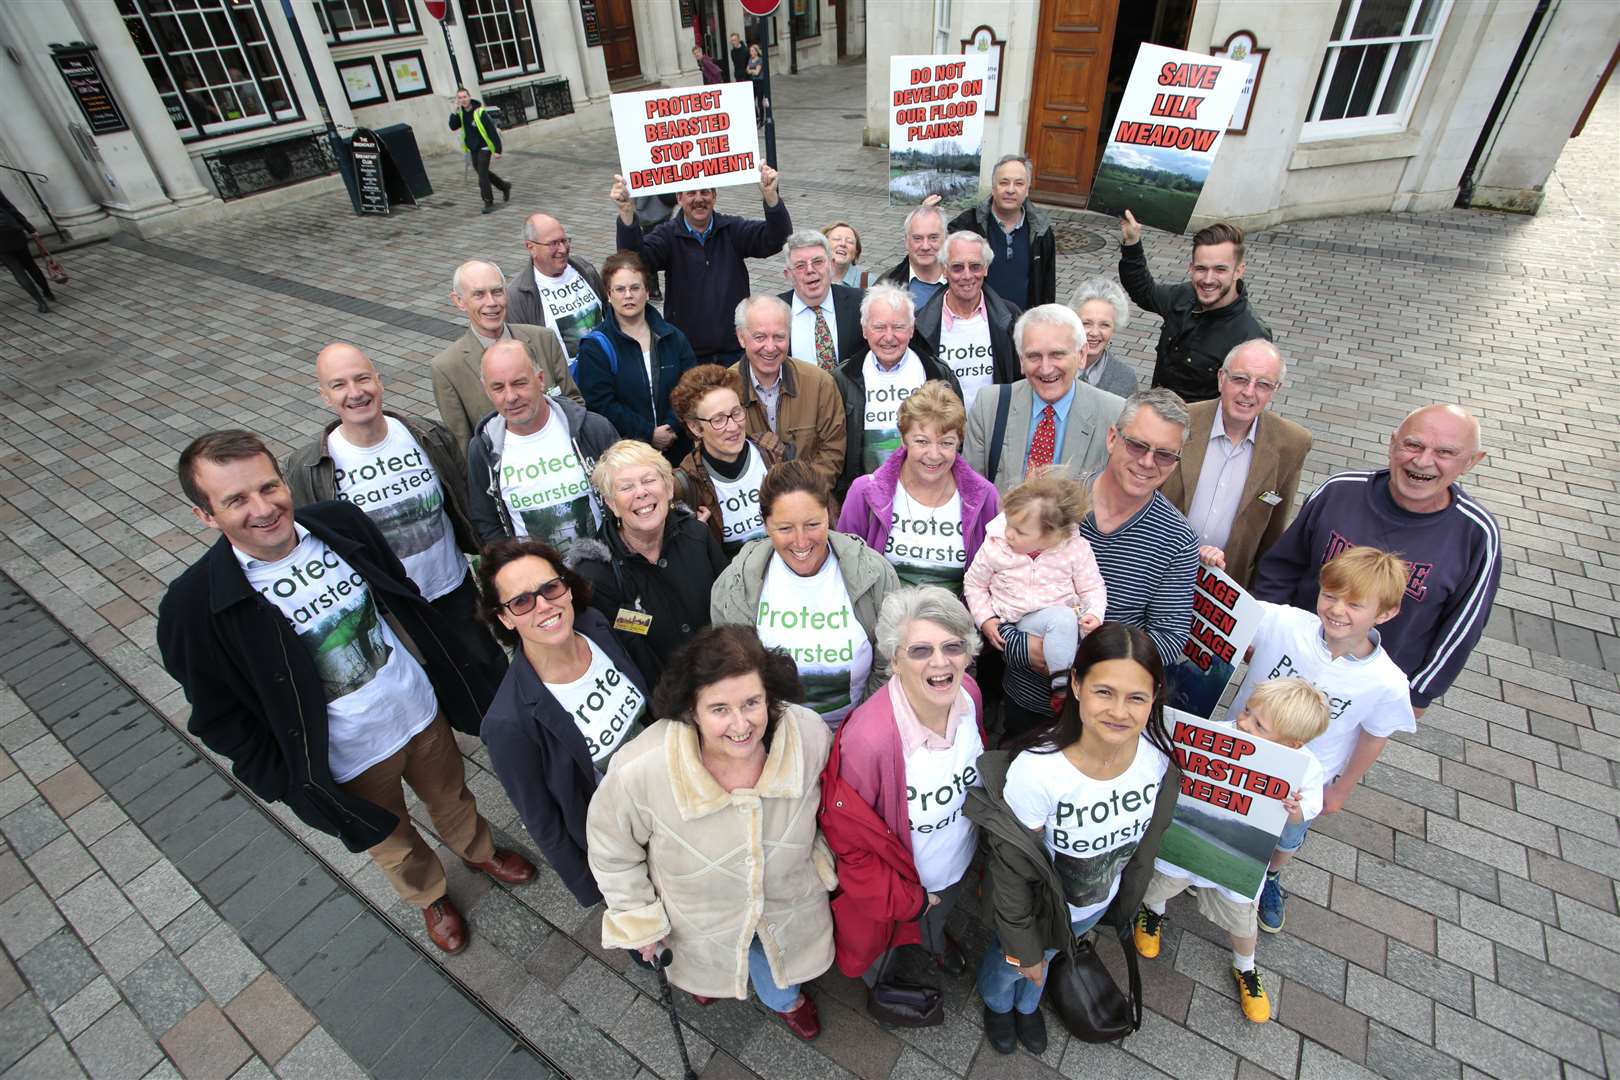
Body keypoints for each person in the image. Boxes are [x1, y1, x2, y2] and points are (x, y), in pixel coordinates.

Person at [157, 431, 533, 956]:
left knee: (452, 796)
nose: (263, 509)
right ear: (205, 516)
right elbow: (220, 718)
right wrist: (292, 784)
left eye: (268, 486)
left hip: (419, 713)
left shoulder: (340, 524)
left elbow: (395, 588)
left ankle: (477, 850)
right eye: (236, 500)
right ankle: (431, 896)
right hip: (346, 761)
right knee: (392, 842)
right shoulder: (193, 607)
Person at [587, 625, 837, 1040]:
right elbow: (612, 849)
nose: (741, 725)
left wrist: (822, 856)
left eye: (752, 703)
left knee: (775, 966)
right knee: (704, 964)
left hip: (785, 901)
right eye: (720, 709)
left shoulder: (809, 734)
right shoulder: (640, 769)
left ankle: (785, 999)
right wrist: (637, 918)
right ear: (692, 710)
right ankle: (709, 983)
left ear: (770, 697)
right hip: (697, 917)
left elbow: (833, 804)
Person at [966, 623, 1181, 1056]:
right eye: (1105, 692)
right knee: (1013, 964)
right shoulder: (1039, 771)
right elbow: (1012, 873)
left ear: (1154, 697)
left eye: (1136, 697)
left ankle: (1028, 1006)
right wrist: (1024, 949)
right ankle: (997, 1003)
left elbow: (1143, 848)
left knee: (1046, 962)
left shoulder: (1156, 761)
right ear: (1078, 685)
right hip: (1038, 910)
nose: (1119, 711)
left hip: (1089, 908)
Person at [1252, 404, 1500, 714]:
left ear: (1471, 461)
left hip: (1366, 690)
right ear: (1393, 443)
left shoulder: (1476, 534)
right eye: (1413, 445)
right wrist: (1262, 634)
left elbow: (1463, 624)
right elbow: (1283, 566)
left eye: (1445, 453)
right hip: (1290, 664)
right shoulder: (1338, 492)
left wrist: (1419, 693)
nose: (1423, 461)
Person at [285, 343, 503, 669]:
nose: (355, 392)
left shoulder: (428, 436)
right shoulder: (308, 467)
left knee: (489, 673)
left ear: (379, 381)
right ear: (324, 395)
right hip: (389, 609)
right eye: (339, 385)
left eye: (362, 379)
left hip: (453, 591)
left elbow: (466, 503)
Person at [1235, 546, 1417, 934]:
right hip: (1240, 750)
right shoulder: (1285, 622)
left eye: (1355, 604)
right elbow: (1231, 606)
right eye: (1330, 595)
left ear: (1385, 613)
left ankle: (1270, 877)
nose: (1337, 609)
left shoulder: (1386, 681)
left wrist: (1342, 789)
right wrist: (1211, 564)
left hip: (1302, 780)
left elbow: (1374, 735)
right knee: (1230, 811)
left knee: (1287, 833)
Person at [1134, 677, 1329, 1023]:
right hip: (1188, 837)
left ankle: (1246, 968)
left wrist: (1295, 807)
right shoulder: (1223, 733)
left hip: (1242, 856)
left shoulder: (1307, 767)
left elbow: (1310, 808)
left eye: (1258, 724)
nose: (1244, 722)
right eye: (1248, 711)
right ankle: (1153, 913)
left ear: (1293, 744)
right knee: (1161, 880)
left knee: (1241, 917)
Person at [820, 586, 986, 985]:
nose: (941, 662)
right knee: (885, 947)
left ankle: (932, 941)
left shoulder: (971, 696)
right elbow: (850, 844)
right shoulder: (868, 740)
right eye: (920, 651)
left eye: (953, 646)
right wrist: (909, 902)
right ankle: (889, 977)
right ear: (894, 659)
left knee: (935, 919)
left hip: (953, 867)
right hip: (900, 891)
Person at [477, 538, 651, 907]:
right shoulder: (509, 722)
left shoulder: (596, 626)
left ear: (567, 588)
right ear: (504, 618)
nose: (543, 605)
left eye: (550, 588)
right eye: (522, 601)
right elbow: (545, 825)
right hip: (631, 845)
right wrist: (608, 900)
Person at [711, 461, 898, 729]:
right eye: (785, 528)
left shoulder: (874, 573)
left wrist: (857, 731)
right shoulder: (735, 585)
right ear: (765, 525)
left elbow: (890, 664)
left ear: (829, 515)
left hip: (856, 735)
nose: (801, 541)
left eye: (812, 524)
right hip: (774, 739)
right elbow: (733, 680)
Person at [571, 440, 726, 687]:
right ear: (612, 504)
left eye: (648, 480)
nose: (640, 492)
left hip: (725, 675)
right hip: (665, 702)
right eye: (626, 487)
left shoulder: (697, 536)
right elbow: (623, 654)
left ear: (668, 489)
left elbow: (730, 610)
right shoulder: (596, 573)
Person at [1160, 340, 1312, 590]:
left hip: (1225, 588)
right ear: (1221, 378)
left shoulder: (1292, 443)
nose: (1249, 392)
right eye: (1240, 379)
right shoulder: (1180, 421)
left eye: (1263, 384)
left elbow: (1273, 530)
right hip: (1161, 570)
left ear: (1275, 390)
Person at [966, 476, 1108, 738]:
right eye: (1009, 523)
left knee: (1064, 619)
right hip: (1015, 621)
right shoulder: (996, 546)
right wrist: (985, 619)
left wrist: (1093, 614)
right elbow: (974, 584)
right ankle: (1063, 689)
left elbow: (1092, 588)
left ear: (1052, 536)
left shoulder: (1074, 550)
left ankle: (1062, 688)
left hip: (1058, 624)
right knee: (1062, 620)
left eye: (1020, 532)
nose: (1009, 533)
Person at [611, 165, 791, 364]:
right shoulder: (668, 235)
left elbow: (777, 239)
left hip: (736, 351)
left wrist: (771, 197)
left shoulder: (731, 229)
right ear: (679, 198)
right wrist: (627, 213)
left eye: (705, 192)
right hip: (688, 354)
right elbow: (633, 262)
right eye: (691, 193)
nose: (699, 199)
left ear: (714, 196)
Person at [837, 380, 998, 593]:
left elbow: (998, 573)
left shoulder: (984, 497)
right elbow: (843, 568)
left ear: (959, 443)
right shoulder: (865, 492)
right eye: (922, 441)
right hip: (883, 619)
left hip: (956, 621)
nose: (933, 454)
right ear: (903, 440)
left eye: (946, 443)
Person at [1080, 389, 1201, 667]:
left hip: (1107, 701)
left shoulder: (1178, 540)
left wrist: (1093, 663)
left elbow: (1169, 637)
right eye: (1137, 445)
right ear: (1112, 438)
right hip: (1026, 695)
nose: (1147, 462)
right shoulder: (1058, 498)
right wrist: (1025, 646)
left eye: (1165, 455)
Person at [466, 339, 618, 547]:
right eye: (498, 388)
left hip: (605, 571)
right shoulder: (484, 449)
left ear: (540, 380)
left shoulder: (593, 430)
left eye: (520, 383)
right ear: (487, 391)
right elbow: (487, 521)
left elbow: (625, 492)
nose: (510, 397)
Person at [963, 304, 1125, 494]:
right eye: (1034, 356)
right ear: (1021, 361)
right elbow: (972, 491)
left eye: (1057, 355)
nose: (1046, 368)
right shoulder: (989, 404)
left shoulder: (1114, 413)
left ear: (1081, 355)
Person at [1119, 212, 1272, 403]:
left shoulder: (1251, 335)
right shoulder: (1183, 296)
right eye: (1201, 268)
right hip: (1158, 416)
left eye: (1220, 269)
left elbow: (1248, 400)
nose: (1208, 279)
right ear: (1191, 268)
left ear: (1238, 271)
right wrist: (1132, 243)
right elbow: (1144, 291)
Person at [431, 259, 581, 449]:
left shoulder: (543, 339)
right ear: (459, 301)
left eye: (497, 291)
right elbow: (463, 446)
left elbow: (574, 403)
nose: (491, 302)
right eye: (479, 295)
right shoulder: (447, 369)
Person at [834, 284, 962, 493]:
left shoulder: (937, 374)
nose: (889, 336)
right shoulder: (843, 378)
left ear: (912, 329)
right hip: (864, 495)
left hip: (929, 494)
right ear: (865, 330)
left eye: (899, 327)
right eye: (879, 327)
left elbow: (957, 437)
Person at [573, 251, 698, 461]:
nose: (628, 295)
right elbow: (601, 404)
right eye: (620, 289)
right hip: (627, 455)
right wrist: (649, 433)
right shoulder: (595, 347)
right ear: (609, 295)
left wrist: (671, 428)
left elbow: (692, 387)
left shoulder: (672, 337)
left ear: (647, 292)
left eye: (635, 288)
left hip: (679, 451)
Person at [730, 295, 846, 491]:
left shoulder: (820, 383)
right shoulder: (724, 390)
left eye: (779, 336)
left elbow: (832, 451)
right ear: (741, 337)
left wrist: (801, 497)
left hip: (809, 501)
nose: (770, 347)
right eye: (760, 337)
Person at [670, 364, 783, 554]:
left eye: (736, 413)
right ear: (695, 428)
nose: (733, 427)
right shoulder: (685, 485)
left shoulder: (775, 454)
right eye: (718, 419)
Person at [914, 231, 1022, 412]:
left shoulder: (1011, 317)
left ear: (986, 268)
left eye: (975, 266)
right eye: (957, 267)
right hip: (943, 431)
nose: (967, 275)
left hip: (995, 428)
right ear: (944, 270)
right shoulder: (921, 324)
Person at [948, 155, 1056, 309]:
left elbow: (1047, 288)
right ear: (993, 188)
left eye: (1019, 183)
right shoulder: (966, 226)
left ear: (1027, 190)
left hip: (1024, 326)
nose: (1010, 190)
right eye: (1004, 183)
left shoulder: (1041, 231)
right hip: (977, 323)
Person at [505, 213, 608, 359]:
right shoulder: (518, 296)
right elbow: (523, 353)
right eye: (553, 243)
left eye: (564, 241)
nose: (563, 249)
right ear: (531, 247)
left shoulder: (584, 269)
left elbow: (606, 309)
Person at [777, 230, 863, 370]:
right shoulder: (775, 311)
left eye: (818, 262)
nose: (810, 270)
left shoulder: (860, 303)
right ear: (788, 275)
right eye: (800, 265)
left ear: (831, 266)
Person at [1069, 278, 1139, 399]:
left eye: (1105, 325)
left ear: (1114, 328)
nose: (1095, 333)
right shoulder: (1051, 367)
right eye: (1086, 323)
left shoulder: (1126, 379)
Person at [448, 86, 511, 214]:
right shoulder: (460, 113)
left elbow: (491, 130)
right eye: (460, 98)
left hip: (485, 146)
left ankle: (488, 201)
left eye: (465, 97)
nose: (463, 100)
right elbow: (453, 127)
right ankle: (504, 186)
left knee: (482, 174)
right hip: (473, 148)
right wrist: (454, 111)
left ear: (469, 97)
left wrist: (497, 149)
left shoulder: (479, 112)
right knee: (483, 172)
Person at [879, 204, 948, 310]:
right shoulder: (887, 284)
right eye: (917, 238)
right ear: (906, 241)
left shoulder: (965, 280)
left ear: (946, 238)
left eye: (933, 237)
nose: (925, 246)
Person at [0, 190, 52, 314]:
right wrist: (29, 228)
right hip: (10, 229)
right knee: (29, 263)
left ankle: (41, 303)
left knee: (16, 269)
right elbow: (10, 208)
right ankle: (48, 293)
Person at [824, 221, 869, 289]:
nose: (843, 244)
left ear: (856, 252)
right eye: (837, 239)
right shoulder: (808, 278)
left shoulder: (869, 283)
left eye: (850, 242)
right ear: (823, 246)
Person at [747, 43, 765, 123]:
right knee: (752, 101)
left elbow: (757, 72)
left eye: (752, 50)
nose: (750, 52)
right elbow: (747, 70)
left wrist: (751, 71)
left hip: (760, 82)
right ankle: (757, 117)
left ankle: (761, 120)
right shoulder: (750, 59)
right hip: (753, 82)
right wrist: (752, 71)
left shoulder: (759, 60)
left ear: (756, 52)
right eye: (750, 51)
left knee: (759, 102)